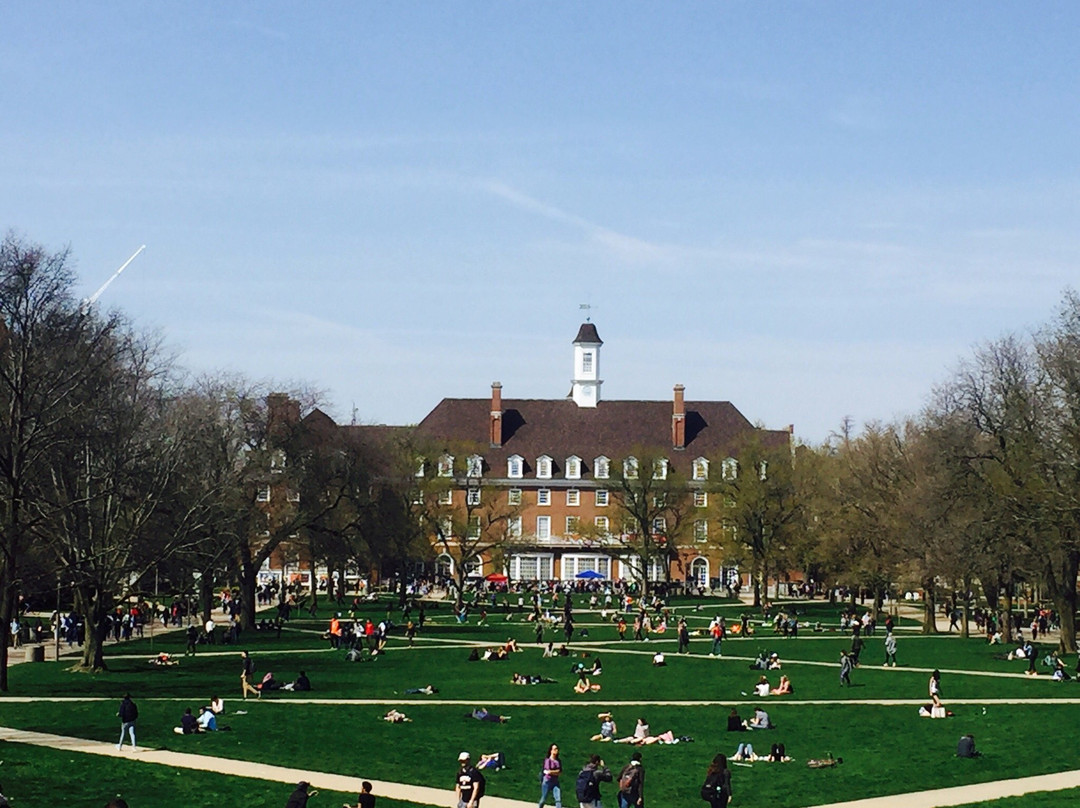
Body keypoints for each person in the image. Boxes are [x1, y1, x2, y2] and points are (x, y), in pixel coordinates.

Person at [538, 742, 563, 808]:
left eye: (557, 749)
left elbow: (560, 772)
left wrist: (553, 772)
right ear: (551, 751)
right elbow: (548, 771)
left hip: (555, 782)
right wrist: (555, 771)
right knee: (543, 799)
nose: (556, 750)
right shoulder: (547, 760)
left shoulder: (558, 761)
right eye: (554, 749)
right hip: (547, 781)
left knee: (558, 799)